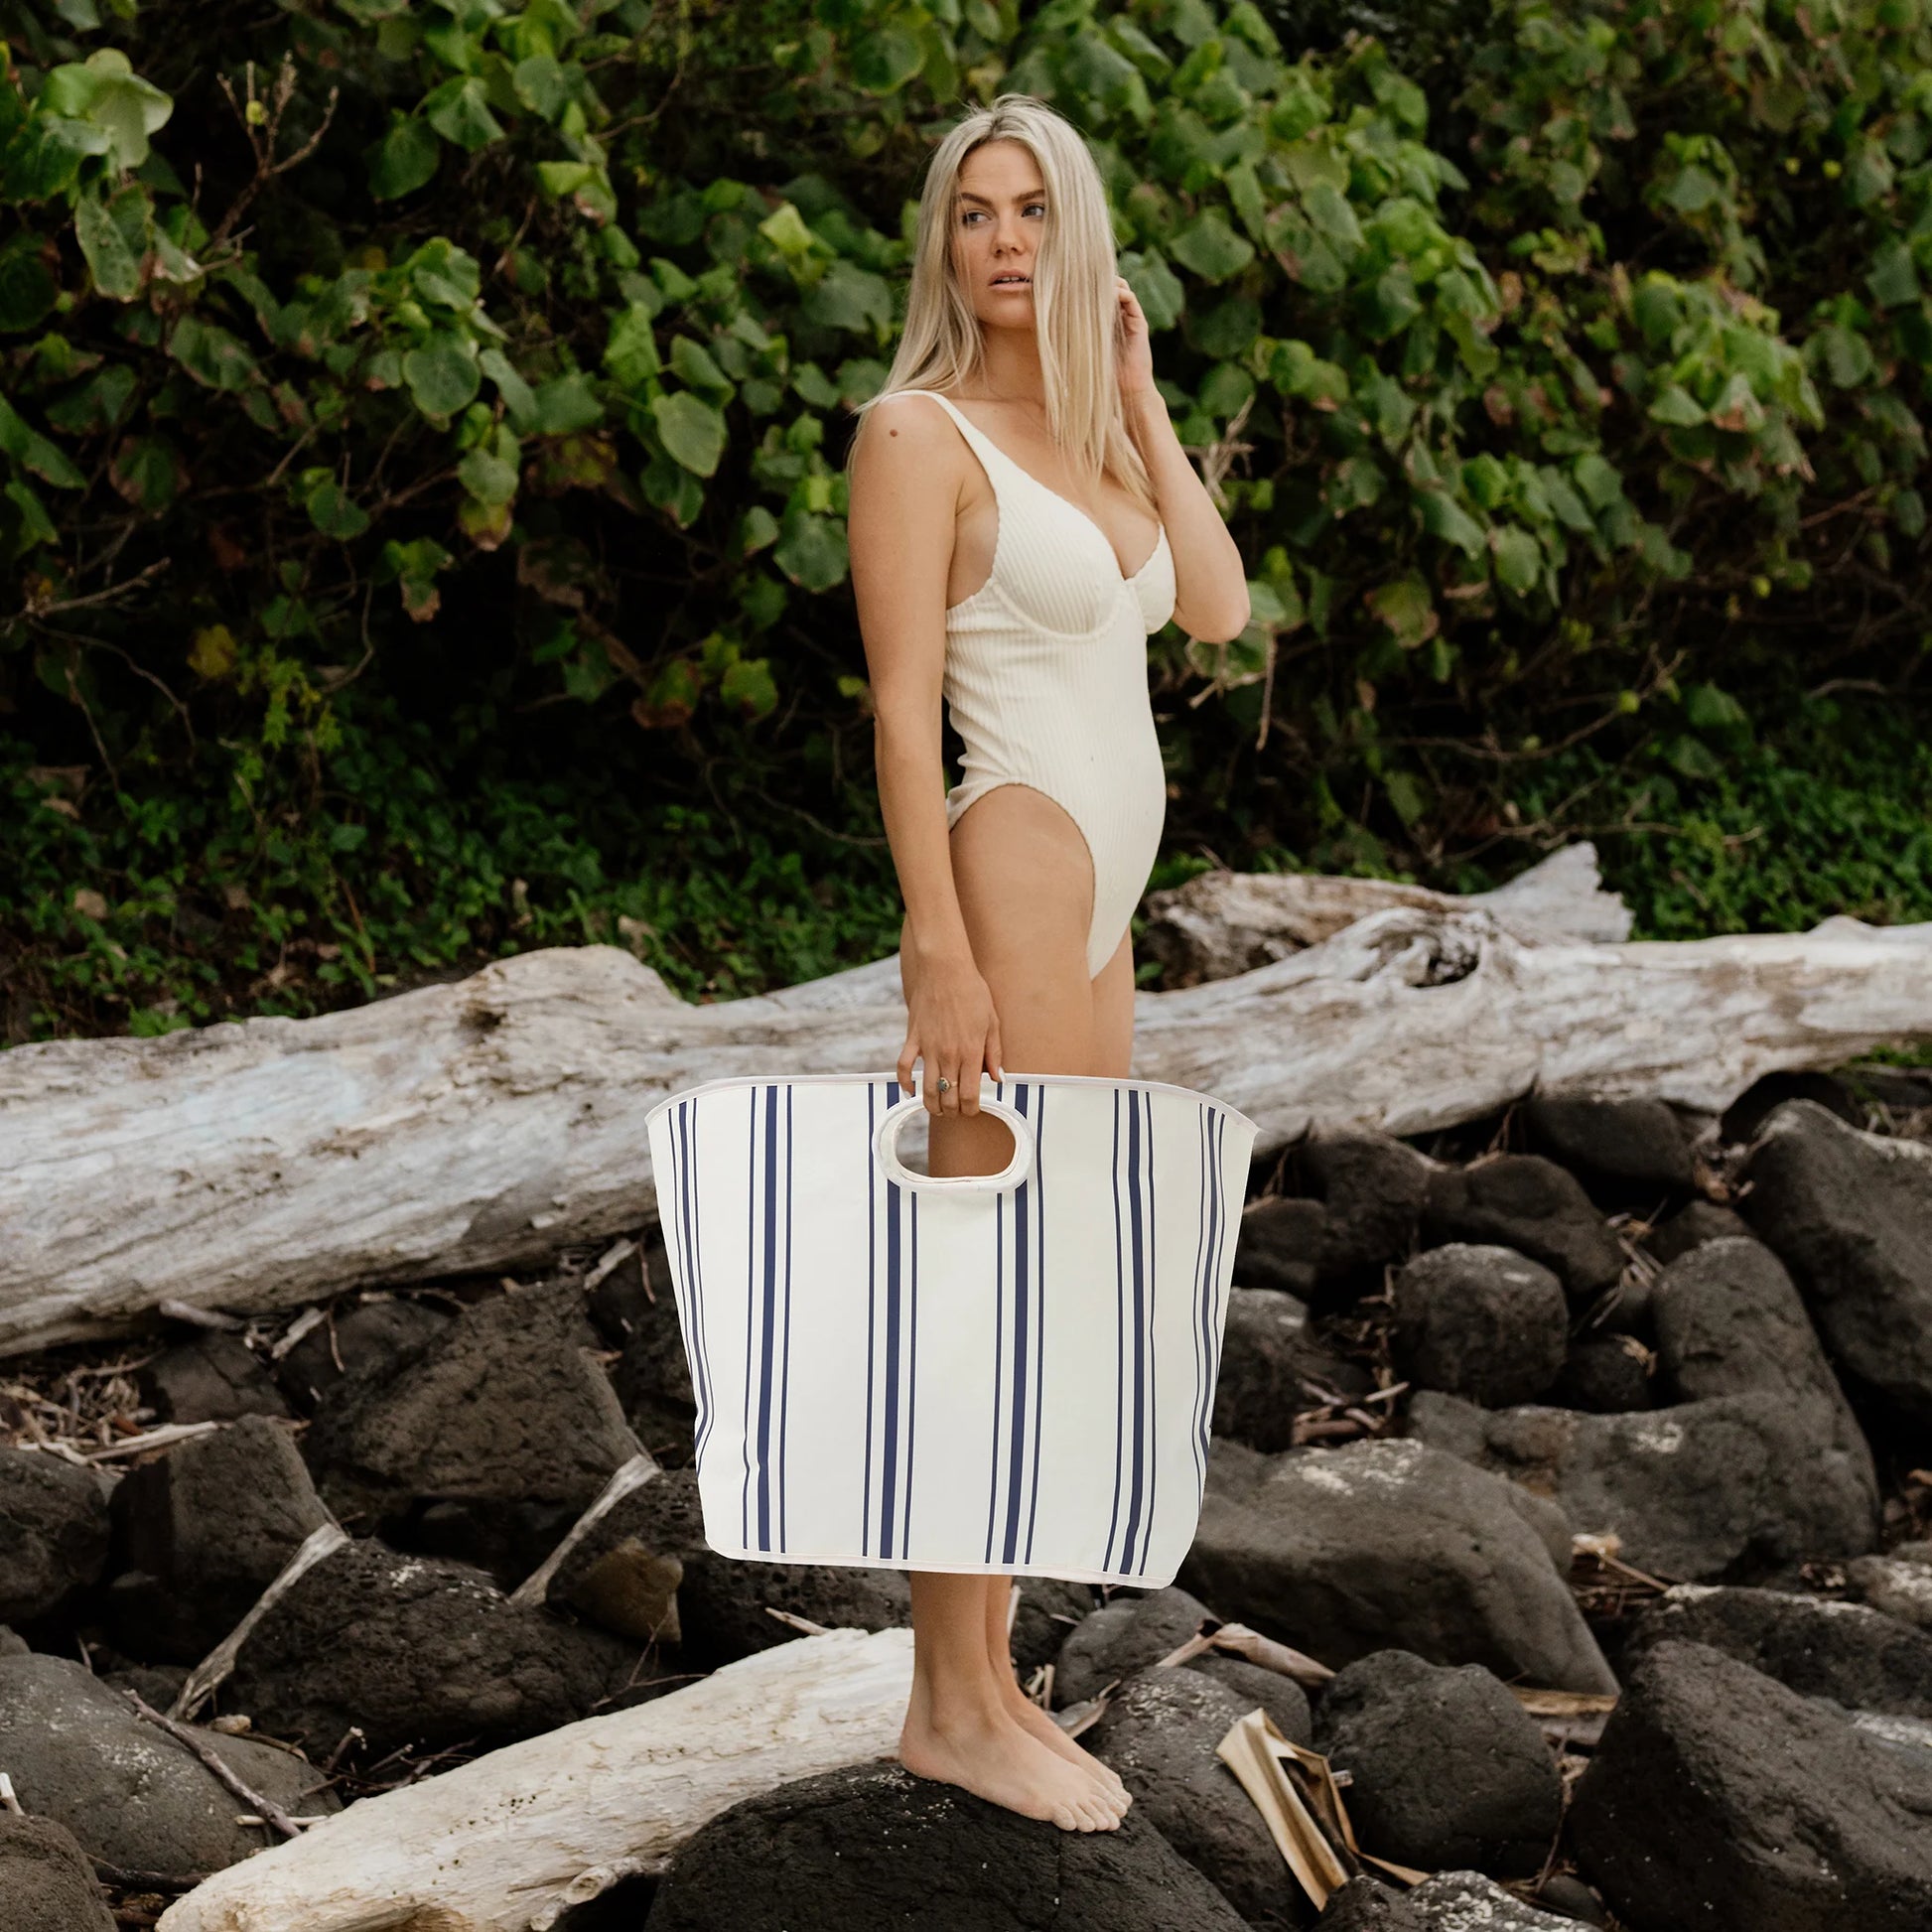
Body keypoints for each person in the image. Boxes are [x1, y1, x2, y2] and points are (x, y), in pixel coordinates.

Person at [843, 92, 1251, 1833]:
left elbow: (1218, 606)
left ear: (1077, 236)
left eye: (1030, 210)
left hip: (1104, 903)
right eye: (972, 212)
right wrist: (932, 945)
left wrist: (1139, 394)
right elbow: (899, 711)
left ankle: (990, 1674)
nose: (1001, 239)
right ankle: (944, 1702)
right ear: (940, 244)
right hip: (1009, 860)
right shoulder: (913, 432)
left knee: (1053, 1277)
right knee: (984, 1278)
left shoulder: (1090, 433)